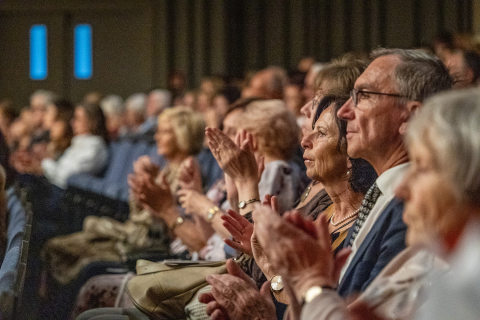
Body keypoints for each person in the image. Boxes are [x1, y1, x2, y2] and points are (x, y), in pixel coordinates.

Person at [39, 102, 108, 188]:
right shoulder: (79, 142)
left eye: (77, 119)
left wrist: (42, 165)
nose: (72, 122)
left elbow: (66, 177)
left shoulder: (95, 147)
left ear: (92, 122)